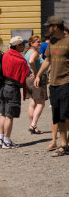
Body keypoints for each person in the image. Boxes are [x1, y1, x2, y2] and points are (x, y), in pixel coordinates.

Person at [35, 16, 69, 157]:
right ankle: (63, 144)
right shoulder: (52, 42)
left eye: (48, 26)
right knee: (58, 115)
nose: (47, 29)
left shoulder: (68, 41)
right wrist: (38, 75)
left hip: (66, 82)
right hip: (53, 83)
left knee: (65, 114)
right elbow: (47, 60)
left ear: (55, 27)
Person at [0, 36, 29, 149]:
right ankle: (7, 141)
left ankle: (0, 138)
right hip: (12, 88)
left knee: (3, 114)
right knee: (9, 116)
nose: (24, 46)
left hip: (3, 87)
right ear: (17, 46)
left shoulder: (5, 55)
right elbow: (25, 74)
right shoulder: (20, 60)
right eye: (22, 44)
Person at [24, 35, 47, 134]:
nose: (40, 43)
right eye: (37, 42)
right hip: (37, 78)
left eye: (40, 41)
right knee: (41, 103)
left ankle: (33, 126)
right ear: (31, 43)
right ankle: (33, 124)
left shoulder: (27, 52)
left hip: (28, 78)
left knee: (32, 103)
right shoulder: (34, 53)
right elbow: (31, 61)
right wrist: (36, 71)